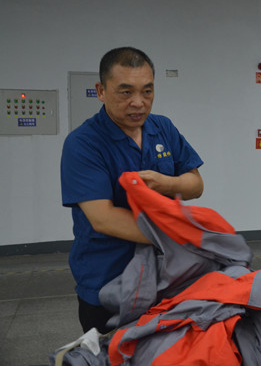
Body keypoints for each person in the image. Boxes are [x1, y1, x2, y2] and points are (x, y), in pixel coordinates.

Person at [60, 47, 204, 333]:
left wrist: (168, 183)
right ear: (101, 91)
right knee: (112, 350)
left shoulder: (162, 128)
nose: (138, 102)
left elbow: (195, 184)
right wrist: (179, 234)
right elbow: (103, 218)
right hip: (108, 280)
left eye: (147, 91)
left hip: (167, 276)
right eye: (125, 92)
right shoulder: (84, 143)